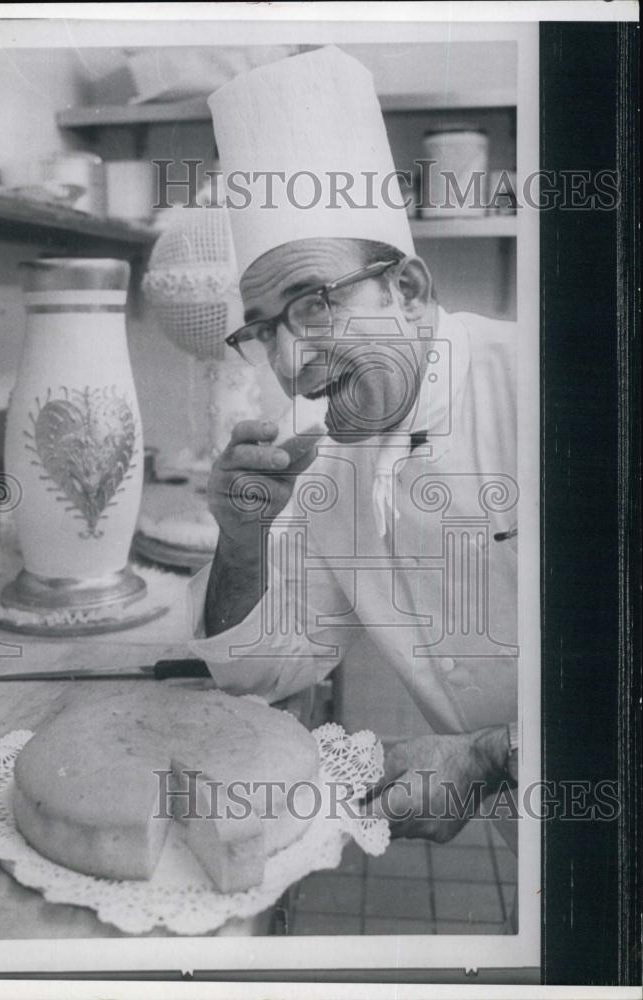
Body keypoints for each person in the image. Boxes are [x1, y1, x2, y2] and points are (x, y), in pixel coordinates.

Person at [188, 46, 520, 847]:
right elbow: (263, 671)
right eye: (263, 330)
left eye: (311, 306)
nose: (289, 365)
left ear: (406, 291)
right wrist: (240, 543)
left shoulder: (556, 387)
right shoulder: (333, 465)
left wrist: (490, 755)